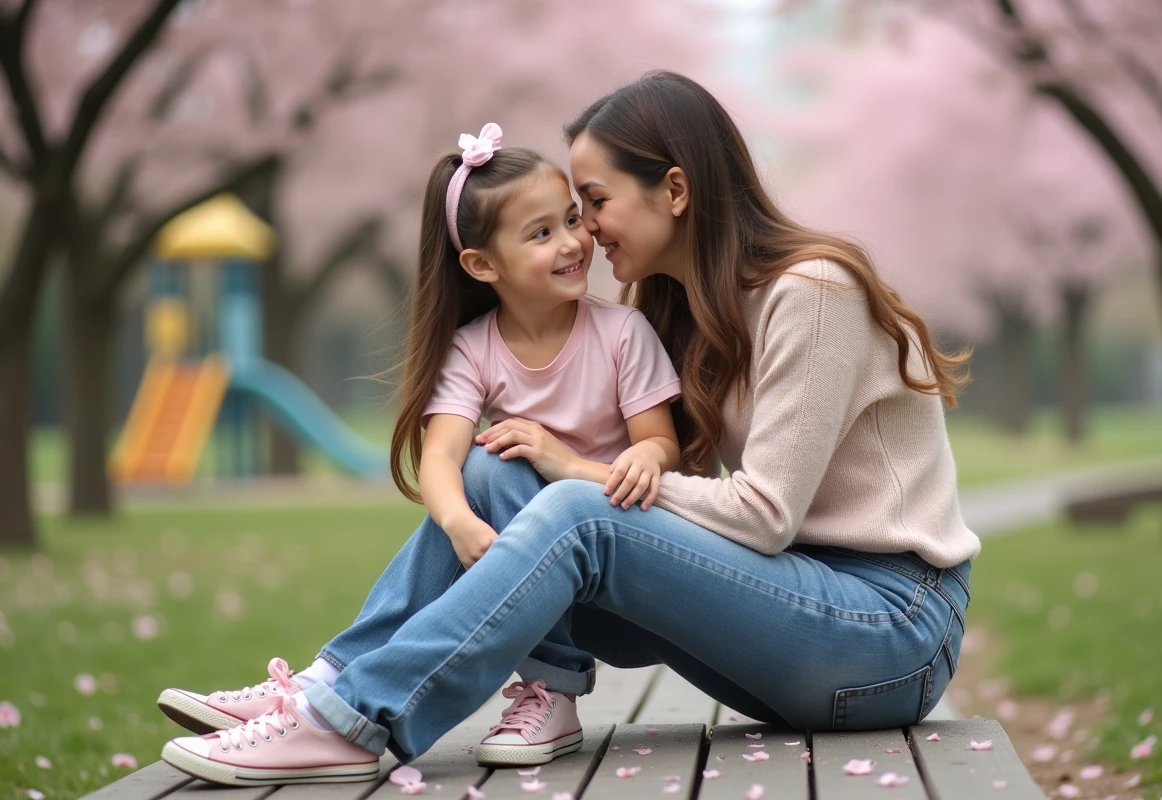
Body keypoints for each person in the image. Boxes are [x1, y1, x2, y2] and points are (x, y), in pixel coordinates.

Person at [161, 71, 982, 788]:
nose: (585, 233)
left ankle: (348, 722)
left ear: (675, 189)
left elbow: (764, 517)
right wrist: (544, 465)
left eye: (593, 203)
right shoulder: (685, 313)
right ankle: (326, 684)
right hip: (790, 625)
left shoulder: (813, 292)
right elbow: (673, 503)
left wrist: (572, 468)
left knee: (573, 504)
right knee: (494, 474)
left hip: (891, 633)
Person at [157, 123, 682, 782]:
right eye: (542, 233)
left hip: (621, 558)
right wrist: (460, 523)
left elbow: (661, 443)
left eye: (572, 219)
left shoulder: (621, 333)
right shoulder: (474, 349)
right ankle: (331, 681)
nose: (576, 242)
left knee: (500, 467)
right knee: (479, 471)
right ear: (482, 266)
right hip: (536, 567)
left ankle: (541, 684)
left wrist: (645, 458)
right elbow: (439, 459)